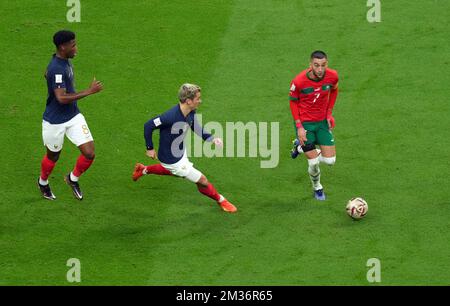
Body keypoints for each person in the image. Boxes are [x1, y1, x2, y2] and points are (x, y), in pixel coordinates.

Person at [132, 83, 237, 213]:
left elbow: (195, 126)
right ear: (188, 101)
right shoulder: (169, 117)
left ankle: (143, 170)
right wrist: (150, 148)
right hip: (171, 159)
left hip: (180, 150)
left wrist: (211, 138)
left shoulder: (191, 111)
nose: (200, 101)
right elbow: (148, 125)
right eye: (197, 98)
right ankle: (221, 200)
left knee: (176, 172)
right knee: (202, 180)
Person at [37, 30, 103, 200]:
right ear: (62, 46)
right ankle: (43, 182)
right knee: (53, 156)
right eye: (73, 45)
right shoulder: (57, 68)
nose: (76, 48)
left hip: (73, 116)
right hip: (54, 121)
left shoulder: (62, 61)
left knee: (89, 153)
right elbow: (61, 98)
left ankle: (72, 179)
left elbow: (47, 73)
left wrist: (49, 77)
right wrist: (89, 91)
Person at [289, 50, 339, 200]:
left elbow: (335, 90)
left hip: (322, 122)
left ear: (326, 64)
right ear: (310, 65)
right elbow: (293, 102)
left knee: (330, 161)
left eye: (323, 65)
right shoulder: (298, 82)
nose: (320, 69)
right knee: (314, 163)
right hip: (305, 125)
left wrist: (329, 114)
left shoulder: (332, 76)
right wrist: (299, 127)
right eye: (316, 65)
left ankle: (299, 147)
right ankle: (317, 188)